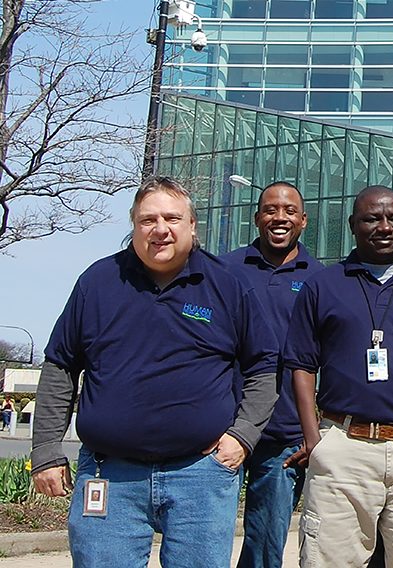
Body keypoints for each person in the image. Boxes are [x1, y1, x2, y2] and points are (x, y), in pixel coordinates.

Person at [30, 177, 279, 567]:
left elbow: (263, 366)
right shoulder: (97, 283)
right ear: (134, 226)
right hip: (109, 474)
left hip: (201, 475)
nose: (160, 229)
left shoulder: (228, 285)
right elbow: (61, 365)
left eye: (171, 218)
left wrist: (242, 436)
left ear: (192, 226)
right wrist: (46, 450)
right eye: (148, 220)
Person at [282, 185, 393, 568]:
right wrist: (315, 440)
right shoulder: (323, 285)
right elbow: (301, 366)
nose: (384, 226)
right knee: (329, 560)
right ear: (353, 225)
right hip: (345, 447)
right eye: (371, 218)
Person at [221, 182, 324, 568]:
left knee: (266, 543)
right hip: (223, 428)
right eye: (270, 210)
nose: (279, 218)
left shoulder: (320, 279)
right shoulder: (225, 269)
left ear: (303, 220)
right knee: (208, 537)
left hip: (285, 437)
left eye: (289, 211)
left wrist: (313, 430)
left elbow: (326, 360)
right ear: (257, 217)